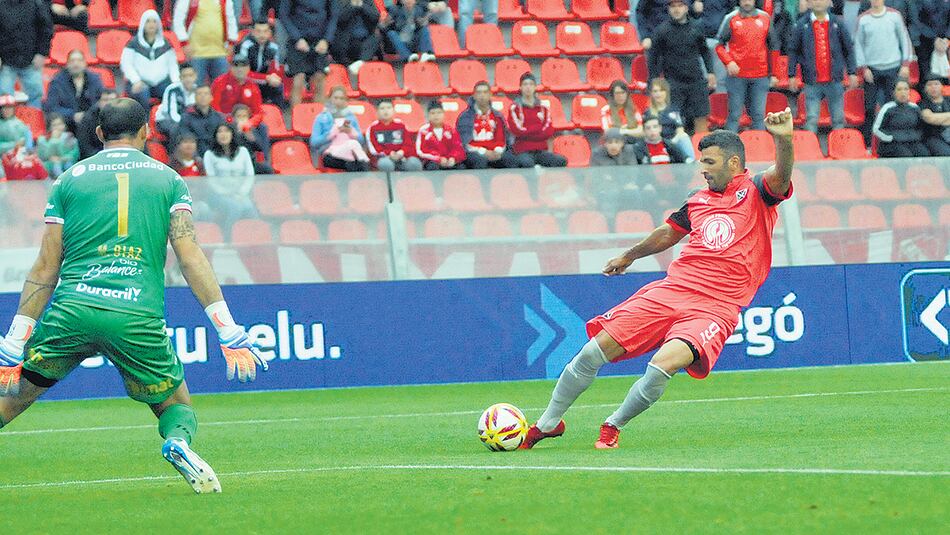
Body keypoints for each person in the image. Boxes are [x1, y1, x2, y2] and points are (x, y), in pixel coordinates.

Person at [0, 98, 268, 494]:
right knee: (176, 406)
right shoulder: (168, 179)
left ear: (97, 134)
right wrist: (227, 330)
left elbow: (45, 266)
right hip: (135, 315)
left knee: (13, 397)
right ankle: (176, 443)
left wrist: (15, 340)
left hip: (73, 310)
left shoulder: (68, 179)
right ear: (146, 132)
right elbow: (190, 255)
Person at [521, 109, 796, 450]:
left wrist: (784, 140)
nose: (703, 169)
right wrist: (629, 255)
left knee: (661, 365)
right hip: (672, 290)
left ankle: (613, 424)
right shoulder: (698, 201)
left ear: (734, 163)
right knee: (592, 352)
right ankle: (549, 422)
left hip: (715, 308)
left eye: (709, 162)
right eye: (702, 161)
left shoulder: (757, 191)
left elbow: (782, 175)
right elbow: (668, 233)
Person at [787, 0, 859, 134]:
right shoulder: (802, 25)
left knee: (838, 119)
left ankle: (840, 148)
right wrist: (791, 75)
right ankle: (810, 150)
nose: (818, 2)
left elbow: (848, 49)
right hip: (811, 81)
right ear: (809, 3)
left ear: (829, 2)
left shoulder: (838, 23)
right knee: (811, 119)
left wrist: (852, 72)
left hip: (835, 80)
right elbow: (793, 51)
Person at [647, 0, 716, 134]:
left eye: (680, 6)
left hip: (696, 81)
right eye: (673, 6)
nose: (676, 9)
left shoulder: (696, 28)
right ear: (668, 9)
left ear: (686, 8)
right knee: (673, 122)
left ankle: (701, 151)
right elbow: (653, 58)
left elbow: (705, 51)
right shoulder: (661, 31)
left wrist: (711, 72)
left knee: (701, 118)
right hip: (673, 83)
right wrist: (653, 80)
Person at [853, 0, 913, 143]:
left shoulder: (895, 16)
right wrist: (864, 68)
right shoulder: (863, 19)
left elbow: (904, 39)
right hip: (871, 70)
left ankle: (893, 140)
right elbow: (858, 44)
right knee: (869, 107)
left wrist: (905, 64)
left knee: (892, 106)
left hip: (893, 68)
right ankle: (867, 143)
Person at [716, 0, 780, 132]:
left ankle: (760, 148)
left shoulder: (765, 18)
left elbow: (774, 47)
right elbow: (719, 45)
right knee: (734, 115)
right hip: (737, 76)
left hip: (760, 76)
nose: (747, 2)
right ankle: (729, 148)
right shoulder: (731, 18)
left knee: (758, 116)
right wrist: (729, 62)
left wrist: (774, 73)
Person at [279, 0, 338, 107]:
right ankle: (296, 119)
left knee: (320, 80)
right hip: (297, 41)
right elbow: (283, 15)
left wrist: (326, 40)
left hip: (320, 40)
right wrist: (297, 38)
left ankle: (320, 119)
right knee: (298, 80)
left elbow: (334, 16)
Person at [456, 81, 527, 169]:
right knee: (480, 161)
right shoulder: (466, 117)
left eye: (485, 92)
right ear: (474, 95)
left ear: (490, 95)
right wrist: (484, 152)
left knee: (511, 160)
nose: (482, 95)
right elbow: (465, 142)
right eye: (479, 92)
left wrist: (498, 150)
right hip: (474, 152)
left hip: (496, 151)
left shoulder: (498, 115)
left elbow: (504, 138)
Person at [203, 122, 259, 231]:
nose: (223, 134)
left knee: (250, 209)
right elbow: (211, 179)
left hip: (241, 194)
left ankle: (256, 238)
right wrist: (227, 193)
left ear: (232, 134)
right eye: (220, 132)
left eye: (227, 131)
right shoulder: (209, 154)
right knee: (235, 208)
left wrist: (241, 193)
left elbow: (249, 175)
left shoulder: (243, 151)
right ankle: (228, 239)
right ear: (215, 135)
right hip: (219, 195)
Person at [121, 10, 181, 109]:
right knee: (142, 95)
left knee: (173, 94)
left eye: (154, 21)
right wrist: (135, 80)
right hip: (140, 83)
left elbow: (172, 65)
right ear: (143, 24)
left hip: (161, 82)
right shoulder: (133, 44)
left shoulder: (166, 44)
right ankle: (145, 122)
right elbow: (126, 64)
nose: (151, 24)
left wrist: (175, 82)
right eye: (148, 21)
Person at [0, 0, 53, 109]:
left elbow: (46, 28)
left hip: (31, 60)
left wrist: (41, 53)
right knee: (4, 99)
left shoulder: (36, 3)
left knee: (36, 96)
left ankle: (34, 125)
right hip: (6, 62)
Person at [173, 0, 239, 86]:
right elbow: (178, 20)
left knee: (221, 87)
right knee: (196, 88)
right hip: (196, 53)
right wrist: (184, 43)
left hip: (220, 51)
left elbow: (231, 19)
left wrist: (231, 42)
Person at [508, 74, 568, 168]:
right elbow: (517, 131)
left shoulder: (543, 108)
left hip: (541, 151)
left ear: (535, 87)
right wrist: (538, 128)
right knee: (526, 164)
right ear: (520, 87)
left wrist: (528, 131)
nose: (528, 87)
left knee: (561, 161)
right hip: (522, 150)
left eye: (531, 84)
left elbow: (548, 131)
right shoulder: (514, 108)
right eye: (525, 84)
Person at [43, 50, 105, 132]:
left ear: (85, 63)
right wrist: (73, 115)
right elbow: (52, 107)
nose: (76, 64)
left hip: (91, 123)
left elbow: (101, 101)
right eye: (72, 61)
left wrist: (87, 115)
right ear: (67, 64)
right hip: (66, 124)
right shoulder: (57, 81)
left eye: (79, 60)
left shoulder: (94, 79)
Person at [309, 86, 368, 171]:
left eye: (341, 98)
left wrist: (351, 132)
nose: (338, 101)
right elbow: (314, 142)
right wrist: (330, 134)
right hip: (329, 152)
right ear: (329, 99)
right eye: (335, 98)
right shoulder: (321, 117)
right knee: (354, 164)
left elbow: (361, 140)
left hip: (349, 150)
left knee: (358, 162)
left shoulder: (351, 117)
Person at [233, 19, 286, 107]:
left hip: (263, 81)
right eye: (258, 31)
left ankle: (276, 115)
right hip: (246, 81)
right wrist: (266, 78)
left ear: (269, 33)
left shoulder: (274, 47)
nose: (262, 35)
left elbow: (277, 72)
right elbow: (242, 73)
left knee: (278, 86)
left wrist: (272, 78)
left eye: (265, 31)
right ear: (253, 32)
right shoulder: (245, 46)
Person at [872, 80, 930, 157]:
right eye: (899, 89)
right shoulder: (887, 108)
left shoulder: (915, 108)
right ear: (894, 92)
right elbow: (876, 129)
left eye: (906, 89)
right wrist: (891, 138)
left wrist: (916, 136)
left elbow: (921, 127)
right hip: (892, 144)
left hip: (912, 141)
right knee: (906, 156)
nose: (903, 92)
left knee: (925, 154)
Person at [643, 78, 696, 161]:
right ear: (651, 94)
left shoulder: (673, 110)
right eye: (655, 91)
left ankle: (691, 163)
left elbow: (680, 130)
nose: (658, 94)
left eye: (661, 91)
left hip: (672, 141)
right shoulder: (647, 113)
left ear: (666, 92)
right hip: (655, 142)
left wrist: (671, 143)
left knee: (684, 137)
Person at [366, 100, 423, 172]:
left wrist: (401, 152)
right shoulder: (372, 128)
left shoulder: (401, 125)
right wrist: (389, 153)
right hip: (385, 158)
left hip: (402, 157)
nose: (386, 111)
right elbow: (374, 149)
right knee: (385, 164)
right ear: (377, 112)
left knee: (414, 164)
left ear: (393, 111)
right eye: (382, 108)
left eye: (389, 108)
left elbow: (408, 143)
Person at [332, 0, 381, 75]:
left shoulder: (367, 1)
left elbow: (376, 16)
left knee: (376, 37)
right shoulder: (341, 2)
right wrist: (352, 6)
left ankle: (360, 62)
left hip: (364, 42)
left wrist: (362, 6)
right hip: (347, 42)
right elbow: (339, 18)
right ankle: (359, 63)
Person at [416, 101, 466, 170]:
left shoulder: (451, 130)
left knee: (461, 167)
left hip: (449, 161)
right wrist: (438, 159)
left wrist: (453, 158)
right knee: (432, 166)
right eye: (433, 113)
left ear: (443, 114)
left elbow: (458, 148)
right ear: (428, 116)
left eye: (439, 113)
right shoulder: (423, 131)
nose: (436, 116)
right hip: (433, 162)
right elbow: (420, 152)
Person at [155, 63, 199, 142]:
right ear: (180, 77)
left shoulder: (198, 90)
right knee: (177, 129)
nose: (188, 79)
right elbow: (171, 114)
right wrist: (186, 124)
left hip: (187, 121)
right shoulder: (172, 89)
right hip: (166, 119)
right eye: (184, 76)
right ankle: (175, 153)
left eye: (190, 75)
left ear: (195, 76)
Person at [180, 85, 227, 157]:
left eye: (206, 94)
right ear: (195, 98)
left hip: (217, 155)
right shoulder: (186, 117)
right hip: (196, 156)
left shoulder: (219, 117)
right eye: (199, 94)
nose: (203, 96)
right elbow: (186, 139)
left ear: (211, 97)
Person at [230, 104, 273, 174]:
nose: (242, 118)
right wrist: (238, 133)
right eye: (239, 116)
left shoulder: (252, 130)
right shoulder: (230, 129)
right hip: (234, 161)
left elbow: (260, 148)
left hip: (250, 161)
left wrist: (251, 138)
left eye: (244, 116)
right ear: (234, 118)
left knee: (267, 169)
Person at [77, 90, 118, 158]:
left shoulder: (124, 117)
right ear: (99, 102)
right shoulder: (88, 119)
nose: (108, 103)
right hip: (95, 158)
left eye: (112, 100)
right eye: (105, 100)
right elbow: (84, 145)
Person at [919, 73, 950, 157]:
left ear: (942, 86)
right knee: (947, 154)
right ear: (925, 88)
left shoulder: (948, 100)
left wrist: (939, 118)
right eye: (929, 85)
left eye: (936, 84)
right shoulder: (923, 104)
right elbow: (930, 118)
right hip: (933, 137)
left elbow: (935, 118)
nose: (933, 87)